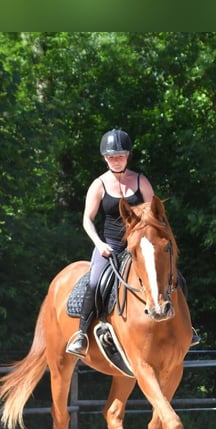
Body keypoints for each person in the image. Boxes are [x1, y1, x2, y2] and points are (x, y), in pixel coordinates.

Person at [66, 129, 200, 357]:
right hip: (111, 246)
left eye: (120, 155)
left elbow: (156, 216)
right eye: (111, 156)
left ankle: (188, 328)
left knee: (177, 277)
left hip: (140, 247)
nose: (115, 160)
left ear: (128, 156)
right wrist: (99, 244)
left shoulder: (141, 182)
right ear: (104, 157)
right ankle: (81, 334)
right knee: (95, 281)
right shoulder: (99, 185)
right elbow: (87, 220)